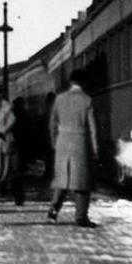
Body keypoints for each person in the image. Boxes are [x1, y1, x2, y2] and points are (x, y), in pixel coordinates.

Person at [48, 69, 100, 227]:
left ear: (70, 82)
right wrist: (95, 149)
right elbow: (93, 129)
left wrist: (54, 142)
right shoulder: (87, 100)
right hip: (80, 142)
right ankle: (81, 217)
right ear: (83, 82)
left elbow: (52, 123)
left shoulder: (59, 99)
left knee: (62, 179)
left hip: (62, 142)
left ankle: (53, 211)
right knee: (82, 182)